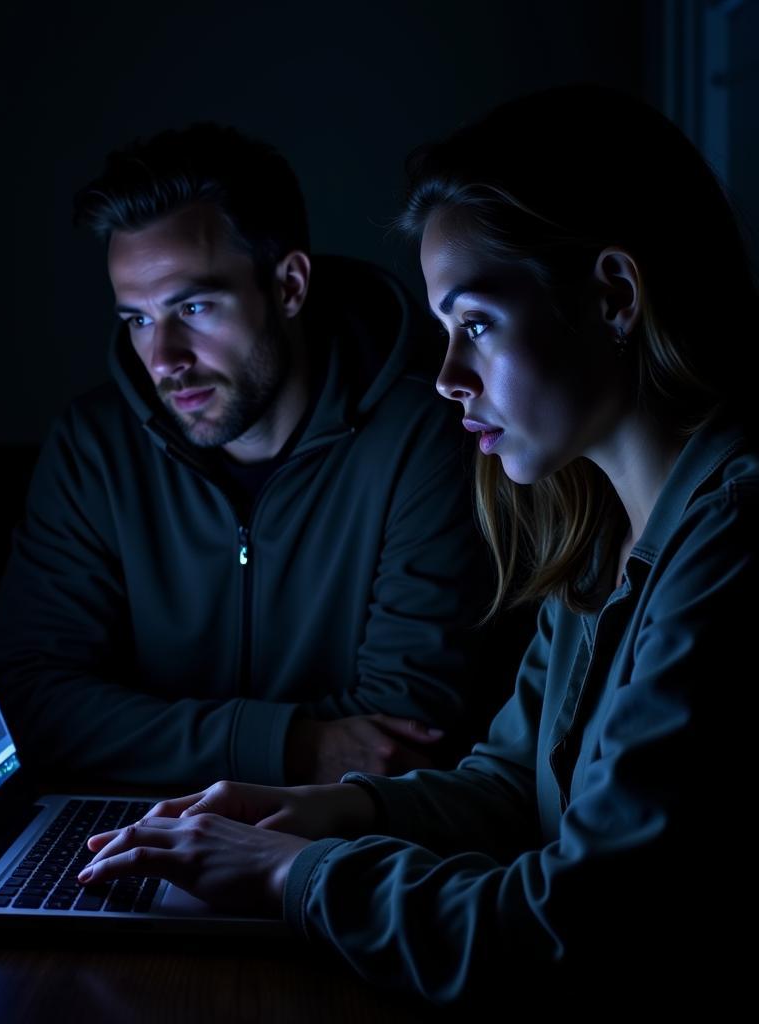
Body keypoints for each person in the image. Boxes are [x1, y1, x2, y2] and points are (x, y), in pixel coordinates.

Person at [78, 86, 758, 1009]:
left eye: (475, 324)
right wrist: (333, 811)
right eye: (443, 331)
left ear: (612, 295)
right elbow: (514, 784)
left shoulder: (732, 540)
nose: (446, 377)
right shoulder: (598, 534)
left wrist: (293, 876)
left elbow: (567, 931)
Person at [0, 124, 497, 789]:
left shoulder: (424, 433)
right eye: (137, 319)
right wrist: (293, 747)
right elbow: (30, 703)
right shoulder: (95, 447)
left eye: (193, 307)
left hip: (338, 850)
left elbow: (402, 731)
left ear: (288, 286)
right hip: (127, 841)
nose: (163, 359)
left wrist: (144, 737)